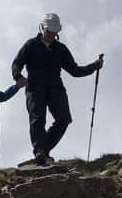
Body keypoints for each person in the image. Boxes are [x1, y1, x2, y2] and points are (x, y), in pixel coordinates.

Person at [11, 13, 104, 165]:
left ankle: (43, 150)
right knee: (38, 118)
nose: (52, 35)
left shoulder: (61, 49)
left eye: (55, 32)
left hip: (55, 88)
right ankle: (39, 152)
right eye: (49, 31)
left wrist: (94, 66)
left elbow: (75, 71)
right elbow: (17, 63)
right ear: (42, 28)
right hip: (35, 88)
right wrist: (18, 76)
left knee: (64, 118)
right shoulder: (31, 45)